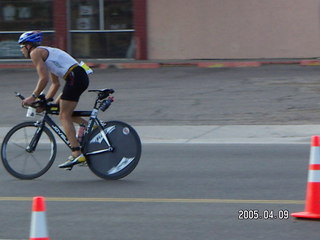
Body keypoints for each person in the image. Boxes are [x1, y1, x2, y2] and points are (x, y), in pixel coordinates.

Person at [18, 30, 89, 169]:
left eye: (21, 46)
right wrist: (45, 102)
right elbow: (55, 84)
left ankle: (77, 154)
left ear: (28, 45)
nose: (21, 50)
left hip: (75, 77)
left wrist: (32, 97)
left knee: (63, 115)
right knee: (57, 109)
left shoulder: (35, 53)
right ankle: (90, 126)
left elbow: (43, 79)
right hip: (76, 77)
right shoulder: (46, 55)